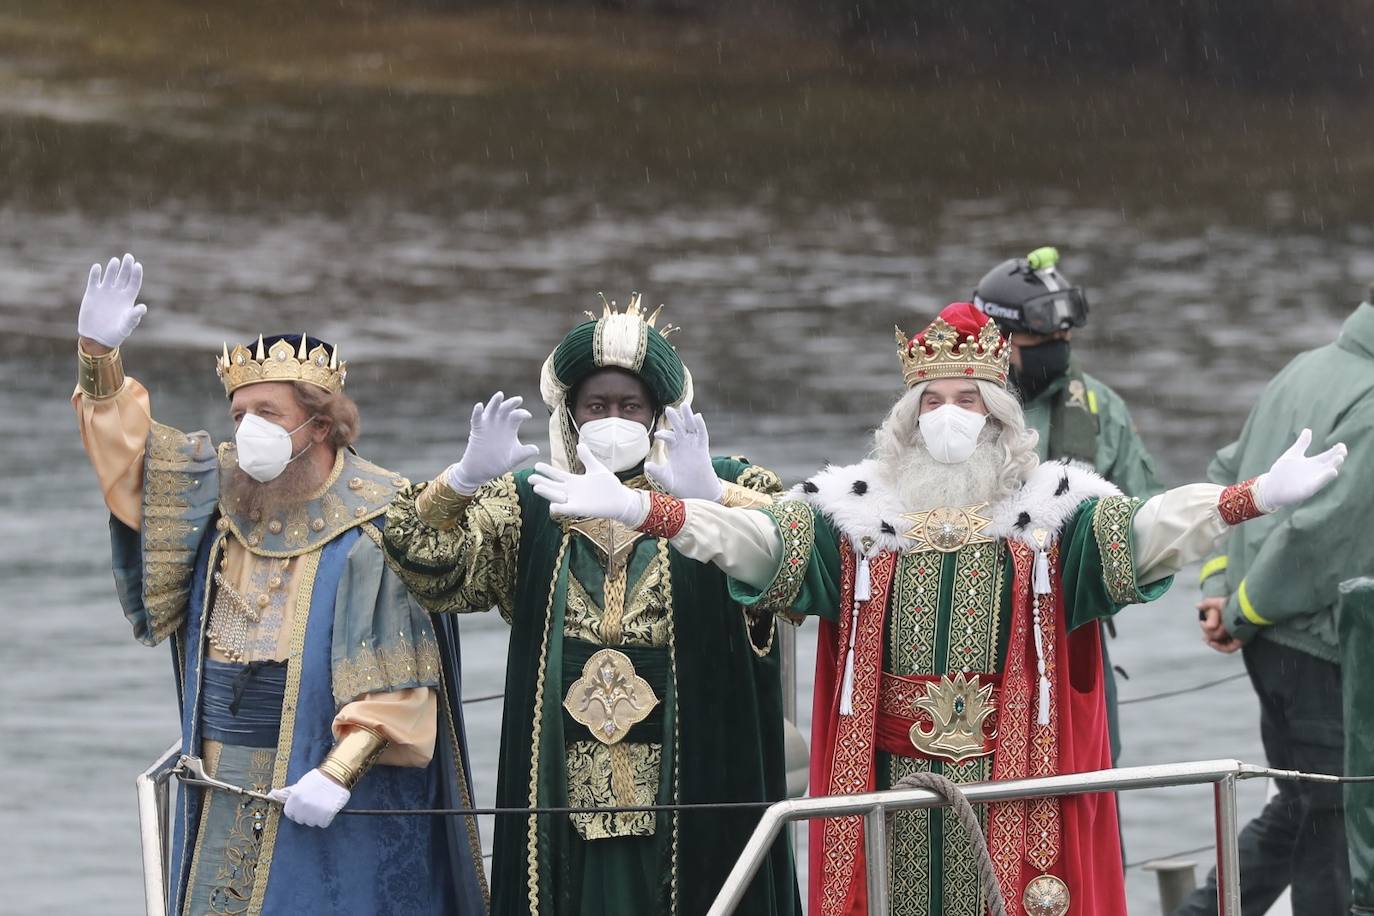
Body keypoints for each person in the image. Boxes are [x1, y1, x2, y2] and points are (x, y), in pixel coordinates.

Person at [528, 302, 1345, 916]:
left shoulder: (1052, 517)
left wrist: (1250, 498)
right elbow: (757, 545)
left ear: (999, 413)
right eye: (932, 400)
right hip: (889, 787)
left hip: (1013, 785)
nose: (949, 415)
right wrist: (653, 513)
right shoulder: (855, 517)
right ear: (908, 416)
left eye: (967, 397)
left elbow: (1151, 527)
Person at [72, 254, 487, 915]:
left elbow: (399, 681)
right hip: (219, 767)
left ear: (319, 423)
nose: (247, 430)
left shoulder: (377, 519)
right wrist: (100, 360)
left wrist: (336, 773)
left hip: (319, 774)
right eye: (239, 414)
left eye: (267, 411)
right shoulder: (224, 491)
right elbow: (138, 471)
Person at [381, 295, 800, 916]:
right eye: (595, 406)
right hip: (561, 769)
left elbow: (796, 557)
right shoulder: (532, 500)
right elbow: (428, 567)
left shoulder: (723, 481)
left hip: (694, 762)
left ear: (657, 413)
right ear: (571, 416)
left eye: (629, 406)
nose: (613, 419)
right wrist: (460, 481)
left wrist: (712, 494)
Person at [1176, 290, 1374, 916]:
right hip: (1315, 641)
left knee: (1299, 805)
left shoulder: (1304, 367)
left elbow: (1225, 470)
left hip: (1272, 643)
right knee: (1335, 823)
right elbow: (1322, 537)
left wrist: (1216, 586)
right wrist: (1241, 611)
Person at [973, 246, 1165, 765]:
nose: (1058, 347)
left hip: (1070, 624)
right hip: (973, 629)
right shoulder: (955, 406)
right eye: (1042, 338)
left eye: (1064, 336)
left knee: (1088, 767)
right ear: (998, 338)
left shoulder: (1100, 407)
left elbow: (1146, 519)